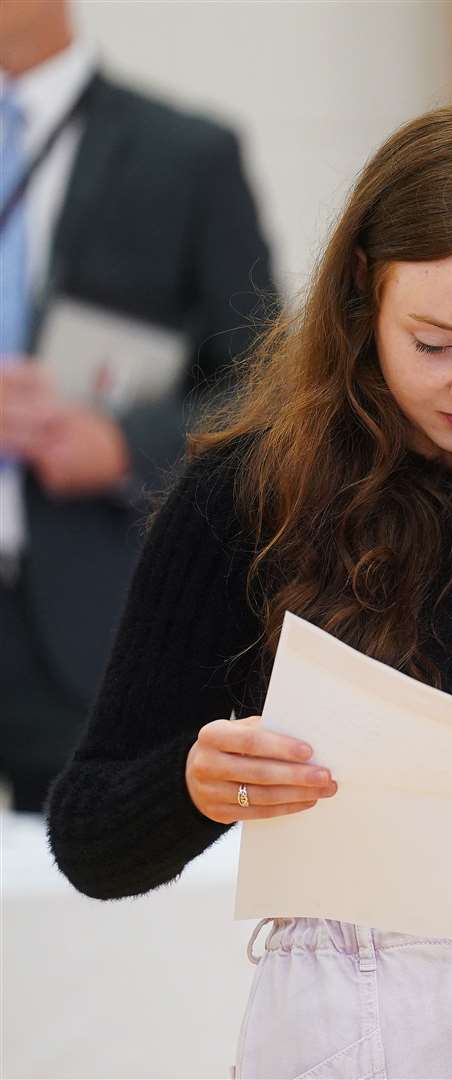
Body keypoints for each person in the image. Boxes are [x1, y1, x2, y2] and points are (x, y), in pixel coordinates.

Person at [46, 101, 452, 1079]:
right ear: (362, 292)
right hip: (351, 1013)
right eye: (432, 344)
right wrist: (193, 780)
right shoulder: (246, 493)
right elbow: (92, 835)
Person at [0, 0, 273, 812]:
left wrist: (124, 444)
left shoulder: (182, 155)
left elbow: (266, 379)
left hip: (88, 616)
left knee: (88, 908)